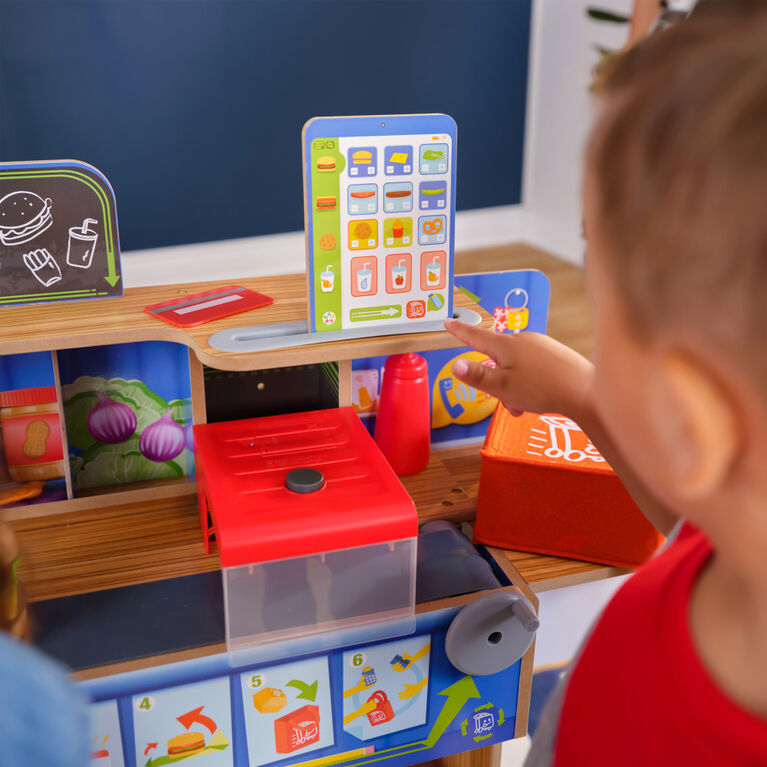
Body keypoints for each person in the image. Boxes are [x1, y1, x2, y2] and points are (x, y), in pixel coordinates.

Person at [445, 5, 767, 765]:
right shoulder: (737, 540)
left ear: (690, 417)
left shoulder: (659, 731)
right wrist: (583, 397)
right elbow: (703, 510)